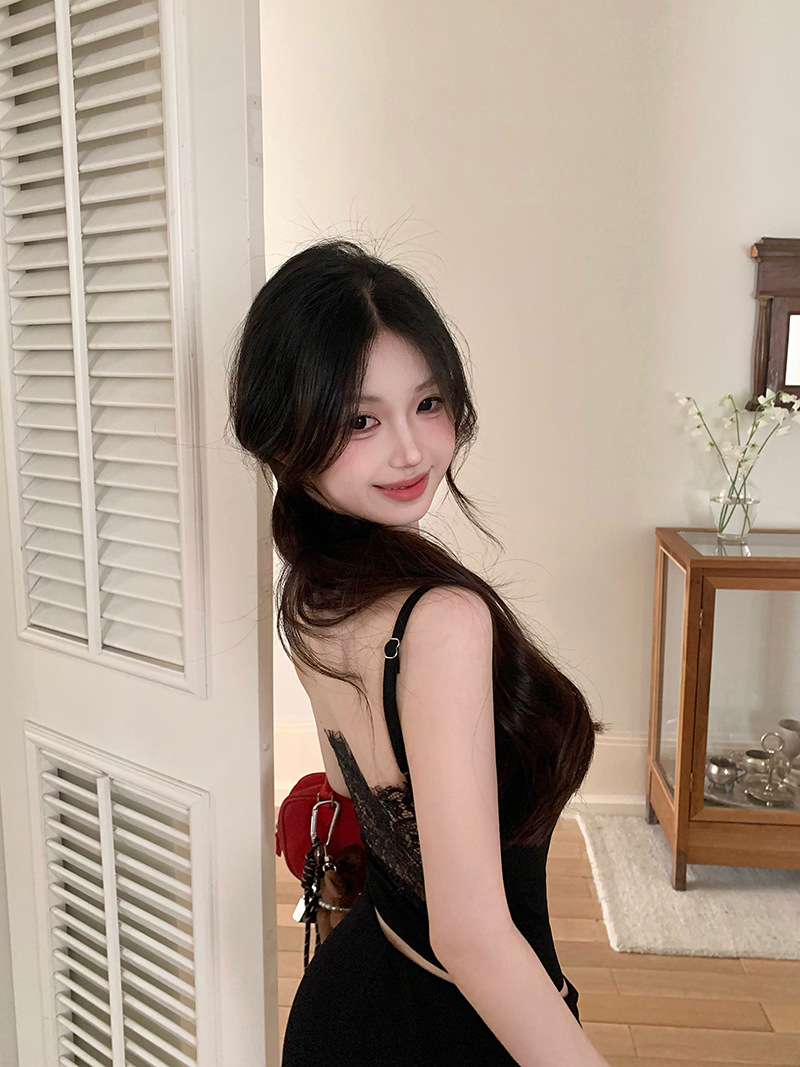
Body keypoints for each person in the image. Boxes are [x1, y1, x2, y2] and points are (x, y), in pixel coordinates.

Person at [227, 238, 611, 1066]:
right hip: (451, 1026)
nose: (410, 449)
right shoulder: (441, 623)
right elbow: (473, 936)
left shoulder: (314, 592)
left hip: (353, 996)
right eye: (360, 420)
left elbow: (352, 785)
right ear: (286, 433)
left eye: (428, 402)